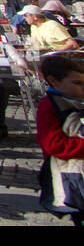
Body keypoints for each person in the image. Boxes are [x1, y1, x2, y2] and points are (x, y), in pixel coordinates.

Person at [36, 54, 84, 225]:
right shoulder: (50, 105)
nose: (82, 88)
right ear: (54, 81)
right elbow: (54, 145)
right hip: (73, 179)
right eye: (77, 83)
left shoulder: (74, 101)